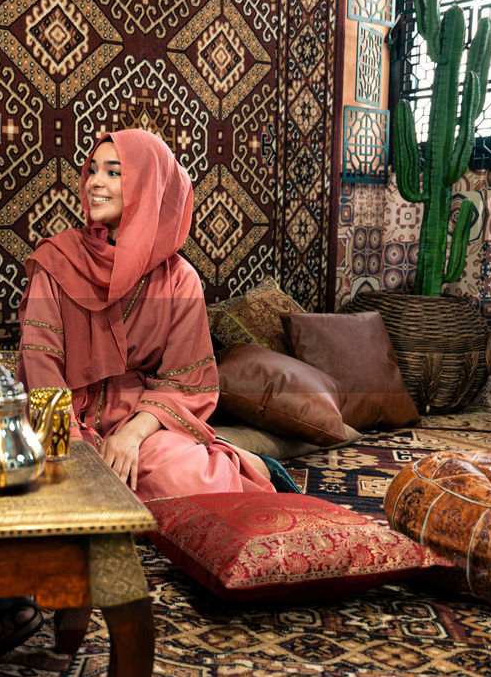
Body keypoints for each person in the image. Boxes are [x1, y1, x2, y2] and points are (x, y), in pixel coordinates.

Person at [18, 129, 295, 500]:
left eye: (114, 173)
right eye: (93, 170)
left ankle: (243, 469)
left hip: (143, 424)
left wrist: (132, 434)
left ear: (149, 185)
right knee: (35, 479)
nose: (94, 183)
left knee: (177, 476)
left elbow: (187, 381)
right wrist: (72, 446)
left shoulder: (179, 279)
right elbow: (41, 365)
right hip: (57, 419)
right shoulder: (55, 261)